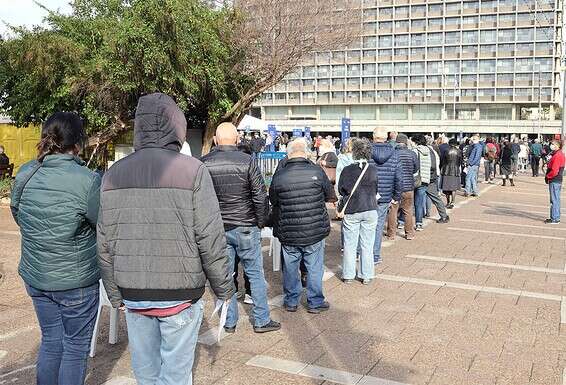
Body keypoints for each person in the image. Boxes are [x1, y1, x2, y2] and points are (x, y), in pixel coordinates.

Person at [97, 93, 235, 385]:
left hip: (134, 293)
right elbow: (210, 237)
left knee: (145, 374)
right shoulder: (193, 170)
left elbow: (105, 242)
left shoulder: (113, 174)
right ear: (177, 126)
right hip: (180, 293)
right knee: (176, 375)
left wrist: (114, 294)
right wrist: (223, 287)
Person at [11, 112, 101, 385]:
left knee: (51, 340)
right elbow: (102, 224)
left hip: (36, 276)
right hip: (75, 282)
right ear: (78, 142)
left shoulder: (26, 172)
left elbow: (18, 213)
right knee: (74, 348)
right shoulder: (87, 179)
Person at [201, 123, 280, 334]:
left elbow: (199, 199)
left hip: (218, 227)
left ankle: (229, 321)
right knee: (255, 273)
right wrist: (261, 221)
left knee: (225, 275)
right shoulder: (247, 161)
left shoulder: (204, 163)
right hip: (246, 224)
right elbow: (259, 196)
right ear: (237, 140)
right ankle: (261, 319)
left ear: (216, 141)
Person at [270, 138, 336, 313]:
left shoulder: (279, 175)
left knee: (291, 267)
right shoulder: (316, 171)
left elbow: (273, 200)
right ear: (306, 152)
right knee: (314, 267)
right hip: (314, 228)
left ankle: (291, 301)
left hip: (288, 229)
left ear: (288, 154)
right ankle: (315, 301)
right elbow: (330, 195)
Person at [338, 138, 378, 284]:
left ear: (354, 152)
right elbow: (376, 189)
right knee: (367, 244)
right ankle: (366, 275)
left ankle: (348, 275)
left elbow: (341, 189)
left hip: (353, 208)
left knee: (350, 244)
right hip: (370, 207)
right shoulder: (373, 169)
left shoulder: (347, 169)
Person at [371, 128, 402, 264]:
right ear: (386, 138)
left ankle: (362, 252)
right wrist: (396, 196)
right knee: (378, 226)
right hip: (384, 194)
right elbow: (399, 178)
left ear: (373, 137)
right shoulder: (395, 154)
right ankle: (375, 255)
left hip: (366, 194)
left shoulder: (366, 152)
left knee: (365, 224)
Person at [387, 133, 417, 240]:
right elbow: (416, 169)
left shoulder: (392, 153)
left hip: (394, 186)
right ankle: (409, 233)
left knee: (393, 210)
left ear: (397, 142)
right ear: (406, 142)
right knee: (408, 210)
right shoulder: (412, 154)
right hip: (408, 186)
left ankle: (391, 234)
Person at [545, 140, 565, 224]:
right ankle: (555, 216)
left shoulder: (557, 155)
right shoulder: (558, 154)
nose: (551, 145)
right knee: (556, 199)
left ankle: (555, 218)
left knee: (554, 200)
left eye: (553, 144)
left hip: (555, 179)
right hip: (556, 179)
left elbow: (555, 170)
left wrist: (548, 176)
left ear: (557, 145)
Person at [441, 139, 462, 209]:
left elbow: (443, 161)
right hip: (455, 170)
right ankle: (453, 201)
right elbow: (459, 162)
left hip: (446, 170)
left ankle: (447, 202)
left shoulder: (446, 150)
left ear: (449, 143)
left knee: (446, 187)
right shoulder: (459, 151)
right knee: (454, 188)